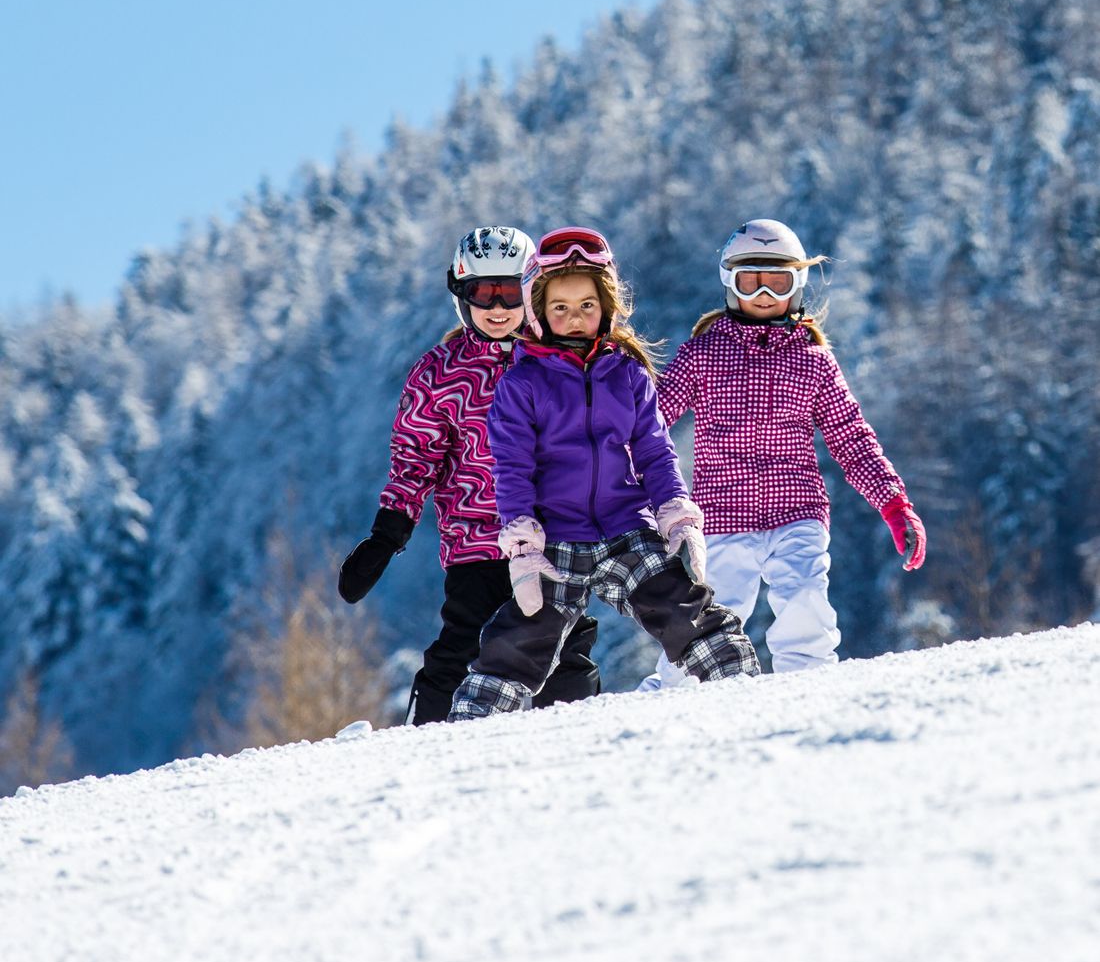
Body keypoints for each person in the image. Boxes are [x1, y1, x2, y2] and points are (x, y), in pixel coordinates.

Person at [449, 227, 760, 721]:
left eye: (587, 306)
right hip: (556, 539)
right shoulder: (522, 383)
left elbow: (656, 452)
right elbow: (511, 467)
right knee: (522, 638)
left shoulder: (628, 375)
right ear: (536, 313)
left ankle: (747, 698)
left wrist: (677, 514)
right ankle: (467, 726)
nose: (575, 318)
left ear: (607, 307)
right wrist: (524, 545)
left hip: (625, 529)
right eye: (560, 307)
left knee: (686, 609)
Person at [639, 218, 926, 688]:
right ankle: (669, 696)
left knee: (805, 605)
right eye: (751, 281)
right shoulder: (704, 354)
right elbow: (649, 425)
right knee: (709, 620)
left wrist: (895, 506)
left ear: (798, 286)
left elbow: (851, 438)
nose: (765, 294)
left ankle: (808, 691)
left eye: (779, 281)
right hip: (723, 514)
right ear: (729, 283)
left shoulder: (812, 360)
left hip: (797, 511)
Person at [337, 226, 601, 724]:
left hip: (556, 538)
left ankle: (574, 740)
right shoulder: (440, 372)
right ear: (462, 295)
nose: (498, 308)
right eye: (485, 294)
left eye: (510, 293)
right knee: (465, 645)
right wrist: (387, 531)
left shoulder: (560, 360)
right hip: (477, 542)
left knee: (562, 646)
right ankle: (431, 734)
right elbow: (416, 456)